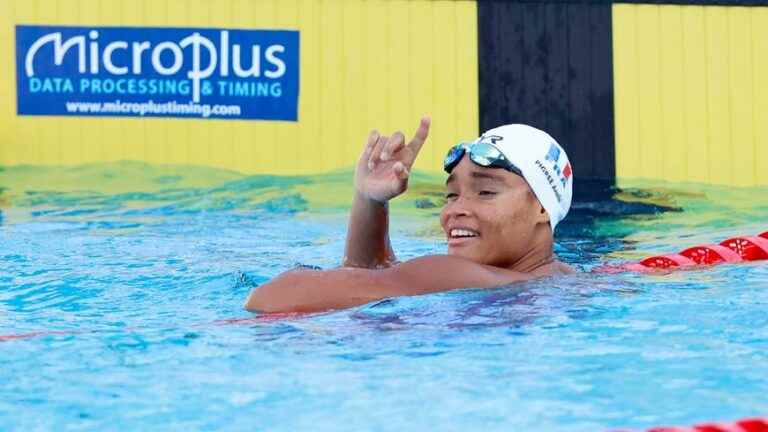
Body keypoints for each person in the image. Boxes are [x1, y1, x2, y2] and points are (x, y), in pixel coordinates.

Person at [244, 117, 575, 313]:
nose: (454, 210)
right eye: (450, 194)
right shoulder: (565, 281)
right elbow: (370, 277)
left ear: (542, 207)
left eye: (486, 192)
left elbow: (270, 297)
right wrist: (371, 201)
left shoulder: (459, 277)